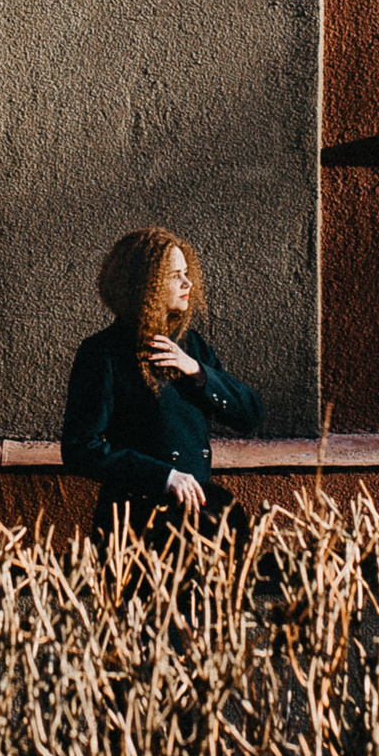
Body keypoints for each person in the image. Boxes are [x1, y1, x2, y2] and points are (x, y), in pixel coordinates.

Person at [59, 227, 264, 544]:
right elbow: (80, 448)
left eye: (187, 273)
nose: (188, 284)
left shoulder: (190, 346)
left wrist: (197, 372)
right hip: (135, 530)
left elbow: (250, 416)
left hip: (197, 530)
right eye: (175, 276)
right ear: (144, 285)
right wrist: (163, 476)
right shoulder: (103, 353)